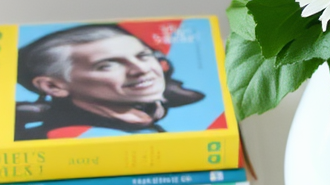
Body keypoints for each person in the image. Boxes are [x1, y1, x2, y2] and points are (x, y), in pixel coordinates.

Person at [14, 23, 203, 140]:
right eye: (108, 65)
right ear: (53, 86)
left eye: (143, 56)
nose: (141, 69)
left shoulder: (147, 119)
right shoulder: (65, 138)